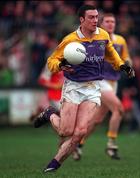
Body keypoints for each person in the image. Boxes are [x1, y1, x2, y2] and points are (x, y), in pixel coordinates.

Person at [34, 4, 134, 173]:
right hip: (73, 86)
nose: (95, 20)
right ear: (82, 20)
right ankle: (50, 113)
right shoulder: (70, 40)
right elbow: (51, 61)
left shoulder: (102, 35)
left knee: (80, 132)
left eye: (96, 17)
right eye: (91, 17)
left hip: (94, 87)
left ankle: (54, 164)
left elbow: (110, 52)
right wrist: (61, 64)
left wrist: (122, 66)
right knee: (65, 131)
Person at [72, 13, 131, 160]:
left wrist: (128, 63)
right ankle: (111, 145)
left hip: (114, 82)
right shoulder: (97, 39)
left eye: (113, 21)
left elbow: (126, 57)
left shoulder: (120, 40)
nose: (111, 24)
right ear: (101, 24)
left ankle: (77, 144)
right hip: (100, 80)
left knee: (97, 120)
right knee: (118, 108)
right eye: (108, 21)